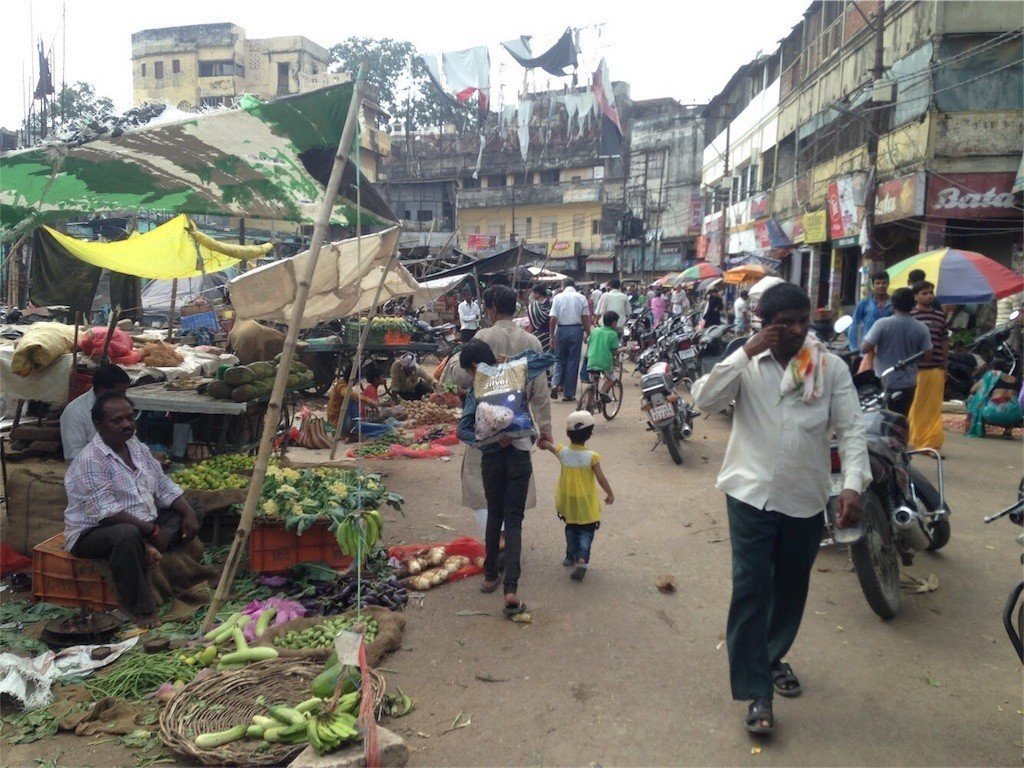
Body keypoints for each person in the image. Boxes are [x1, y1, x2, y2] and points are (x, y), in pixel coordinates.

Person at [692, 282, 869, 737]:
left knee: (791, 587)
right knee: (751, 588)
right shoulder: (746, 363)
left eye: (802, 320)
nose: (794, 329)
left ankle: (771, 656)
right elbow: (705, 402)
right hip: (750, 495)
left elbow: (850, 430)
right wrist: (745, 351)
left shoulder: (829, 368)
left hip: (805, 498)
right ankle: (757, 693)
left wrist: (851, 485)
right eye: (783, 322)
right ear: (764, 324)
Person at [454, 287, 554, 619]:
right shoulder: (532, 343)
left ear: (492, 308)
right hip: (520, 441)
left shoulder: (480, 338)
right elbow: (540, 391)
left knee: (491, 508)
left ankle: (490, 574)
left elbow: (457, 377)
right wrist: (546, 428)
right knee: (513, 518)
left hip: (489, 443)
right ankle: (511, 588)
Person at [63, 392, 201, 628]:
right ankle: (142, 610)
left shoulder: (136, 447)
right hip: (94, 532)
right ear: (98, 425)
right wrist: (152, 531)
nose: (127, 424)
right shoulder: (90, 461)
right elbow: (106, 513)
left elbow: (162, 483)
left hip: (143, 521)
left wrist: (187, 512)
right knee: (126, 535)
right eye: (117, 420)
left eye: (130, 418)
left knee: (195, 507)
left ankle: (148, 546)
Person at [540, 410, 614, 581]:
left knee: (571, 528)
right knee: (586, 532)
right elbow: (601, 478)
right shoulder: (592, 457)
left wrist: (543, 441)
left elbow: (549, 446)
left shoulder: (563, 452)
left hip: (569, 501)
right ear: (590, 434)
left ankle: (569, 556)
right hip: (586, 503)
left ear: (567, 433)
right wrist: (609, 493)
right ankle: (581, 559)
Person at [858, 288, 932, 418]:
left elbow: (864, 348)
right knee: (902, 420)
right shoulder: (922, 327)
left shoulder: (882, 324)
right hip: (909, 383)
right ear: (913, 305)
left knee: (879, 418)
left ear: (892, 304)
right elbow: (927, 356)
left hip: (883, 381)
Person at [60, 364, 132, 461]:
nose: (123, 396)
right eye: (119, 392)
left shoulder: (122, 407)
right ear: (102, 390)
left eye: (124, 392)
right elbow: (74, 455)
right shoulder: (75, 412)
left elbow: (131, 443)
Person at [908, 280, 948, 450]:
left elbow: (944, 340)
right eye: (924, 293)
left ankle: (931, 444)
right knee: (916, 405)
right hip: (916, 369)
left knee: (933, 408)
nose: (929, 296)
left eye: (931, 292)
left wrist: (945, 363)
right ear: (915, 296)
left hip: (936, 368)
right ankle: (913, 440)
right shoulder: (910, 316)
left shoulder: (940, 315)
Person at [549, 278, 591, 402]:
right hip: (576, 330)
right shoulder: (581, 298)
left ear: (563, 285)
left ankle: (555, 384)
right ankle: (568, 394)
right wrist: (588, 333)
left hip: (561, 330)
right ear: (574, 285)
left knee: (559, 359)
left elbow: (552, 318)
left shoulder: (557, 297)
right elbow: (586, 318)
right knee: (573, 361)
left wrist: (551, 335)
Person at [966, 362, 1022, 438]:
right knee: (1012, 403)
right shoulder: (1015, 379)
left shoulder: (992, 375)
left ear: (993, 368)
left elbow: (972, 390)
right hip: (1015, 416)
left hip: (993, 413)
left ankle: (980, 426)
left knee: (973, 399)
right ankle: (1008, 430)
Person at [848, 271, 893, 351]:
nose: (881, 286)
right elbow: (854, 326)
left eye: (884, 283)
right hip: (868, 348)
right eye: (877, 283)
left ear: (888, 283)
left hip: (888, 347)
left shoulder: (894, 303)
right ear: (873, 285)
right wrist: (854, 348)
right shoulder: (864, 303)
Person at [585, 311, 621, 404]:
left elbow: (588, 342)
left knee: (593, 385)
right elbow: (615, 351)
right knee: (612, 378)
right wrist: (624, 349)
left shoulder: (595, 330)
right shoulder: (613, 334)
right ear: (614, 323)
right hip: (605, 363)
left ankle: (588, 406)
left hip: (591, 361)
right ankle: (603, 392)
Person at [527, 284, 553, 352]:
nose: (532, 296)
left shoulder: (532, 308)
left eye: (532, 293)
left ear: (537, 293)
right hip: (552, 336)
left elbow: (531, 326)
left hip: (538, 337)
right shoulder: (552, 304)